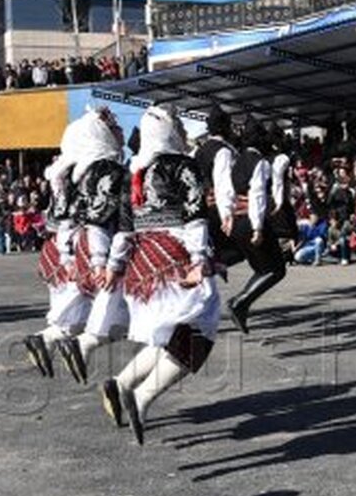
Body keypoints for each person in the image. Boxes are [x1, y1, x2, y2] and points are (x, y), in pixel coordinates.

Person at [102, 105, 220, 445]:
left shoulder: (134, 170)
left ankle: (122, 383)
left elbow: (124, 229)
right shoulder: (182, 166)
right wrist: (200, 259)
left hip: (144, 265)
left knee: (170, 334)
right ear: (168, 131)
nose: (182, 131)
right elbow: (195, 217)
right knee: (201, 333)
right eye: (178, 125)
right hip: (175, 258)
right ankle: (141, 398)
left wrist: (114, 266)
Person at [54, 108, 132, 385]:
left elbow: (64, 220)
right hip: (105, 247)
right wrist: (104, 262)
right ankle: (83, 349)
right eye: (115, 127)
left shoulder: (77, 170)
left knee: (108, 314)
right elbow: (106, 220)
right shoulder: (108, 170)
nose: (121, 131)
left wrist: (67, 257)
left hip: (82, 246)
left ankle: (80, 346)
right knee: (119, 313)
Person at [23, 127, 93, 379]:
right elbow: (67, 221)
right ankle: (45, 341)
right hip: (69, 250)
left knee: (76, 314)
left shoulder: (66, 172)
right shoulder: (75, 173)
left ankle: (44, 341)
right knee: (81, 314)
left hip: (62, 248)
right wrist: (69, 258)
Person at [224, 125, 288, 334]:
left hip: (236, 219)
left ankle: (241, 302)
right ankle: (240, 302)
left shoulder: (236, 160)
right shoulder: (259, 162)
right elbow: (257, 195)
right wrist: (258, 228)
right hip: (250, 220)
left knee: (263, 268)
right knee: (276, 269)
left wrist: (227, 215)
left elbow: (226, 190)